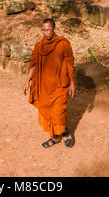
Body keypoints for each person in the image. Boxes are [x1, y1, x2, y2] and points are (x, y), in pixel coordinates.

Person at [23, 18, 75, 148]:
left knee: (58, 112)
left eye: (48, 30)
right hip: (44, 87)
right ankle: (57, 136)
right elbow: (33, 65)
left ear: (54, 29)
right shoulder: (39, 46)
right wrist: (27, 81)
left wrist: (72, 82)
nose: (45, 33)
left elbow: (70, 63)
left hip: (59, 85)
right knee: (47, 111)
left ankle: (64, 132)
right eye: (43, 30)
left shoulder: (63, 44)